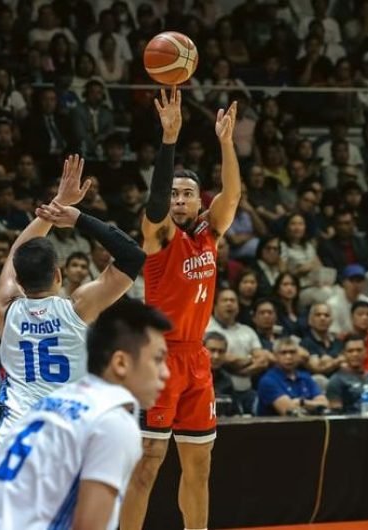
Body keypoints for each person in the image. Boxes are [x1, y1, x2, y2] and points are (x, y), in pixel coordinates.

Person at [121, 88, 241, 530]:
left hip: (195, 358)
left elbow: (232, 195)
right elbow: (154, 206)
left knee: (200, 464)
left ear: (198, 200)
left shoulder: (209, 232)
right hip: (159, 358)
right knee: (148, 461)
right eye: (173, 194)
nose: (178, 200)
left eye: (187, 194)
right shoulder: (159, 238)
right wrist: (169, 139)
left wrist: (225, 142)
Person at [0, 298, 171, 530]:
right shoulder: (112, 421)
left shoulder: (62, 398)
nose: (166, 372)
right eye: (158, 360)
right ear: (120, 363)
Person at [0, 154, 146, 460]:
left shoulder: (5, 306)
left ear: (18, 277)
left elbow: (17, 251)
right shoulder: (79, 308)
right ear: (58, 275)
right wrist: (76, 217)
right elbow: (132, 256)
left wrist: (53, 206)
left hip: (15, 438)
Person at [257, 337, 329, 416]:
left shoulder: (305, 377)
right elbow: (290, 412)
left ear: (298, 355)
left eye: (292, 352)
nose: (289, 357)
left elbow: (325, 405)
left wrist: (301, 402)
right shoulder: (268, 381)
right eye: (283, 353)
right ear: (275, 356)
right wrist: (313, 406)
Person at [326, 336, 368, 414]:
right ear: (344, 354)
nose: (355, 354)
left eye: (359, 350)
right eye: (350, 351)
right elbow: (335, 414)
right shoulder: (336, 381)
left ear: (366, 353)